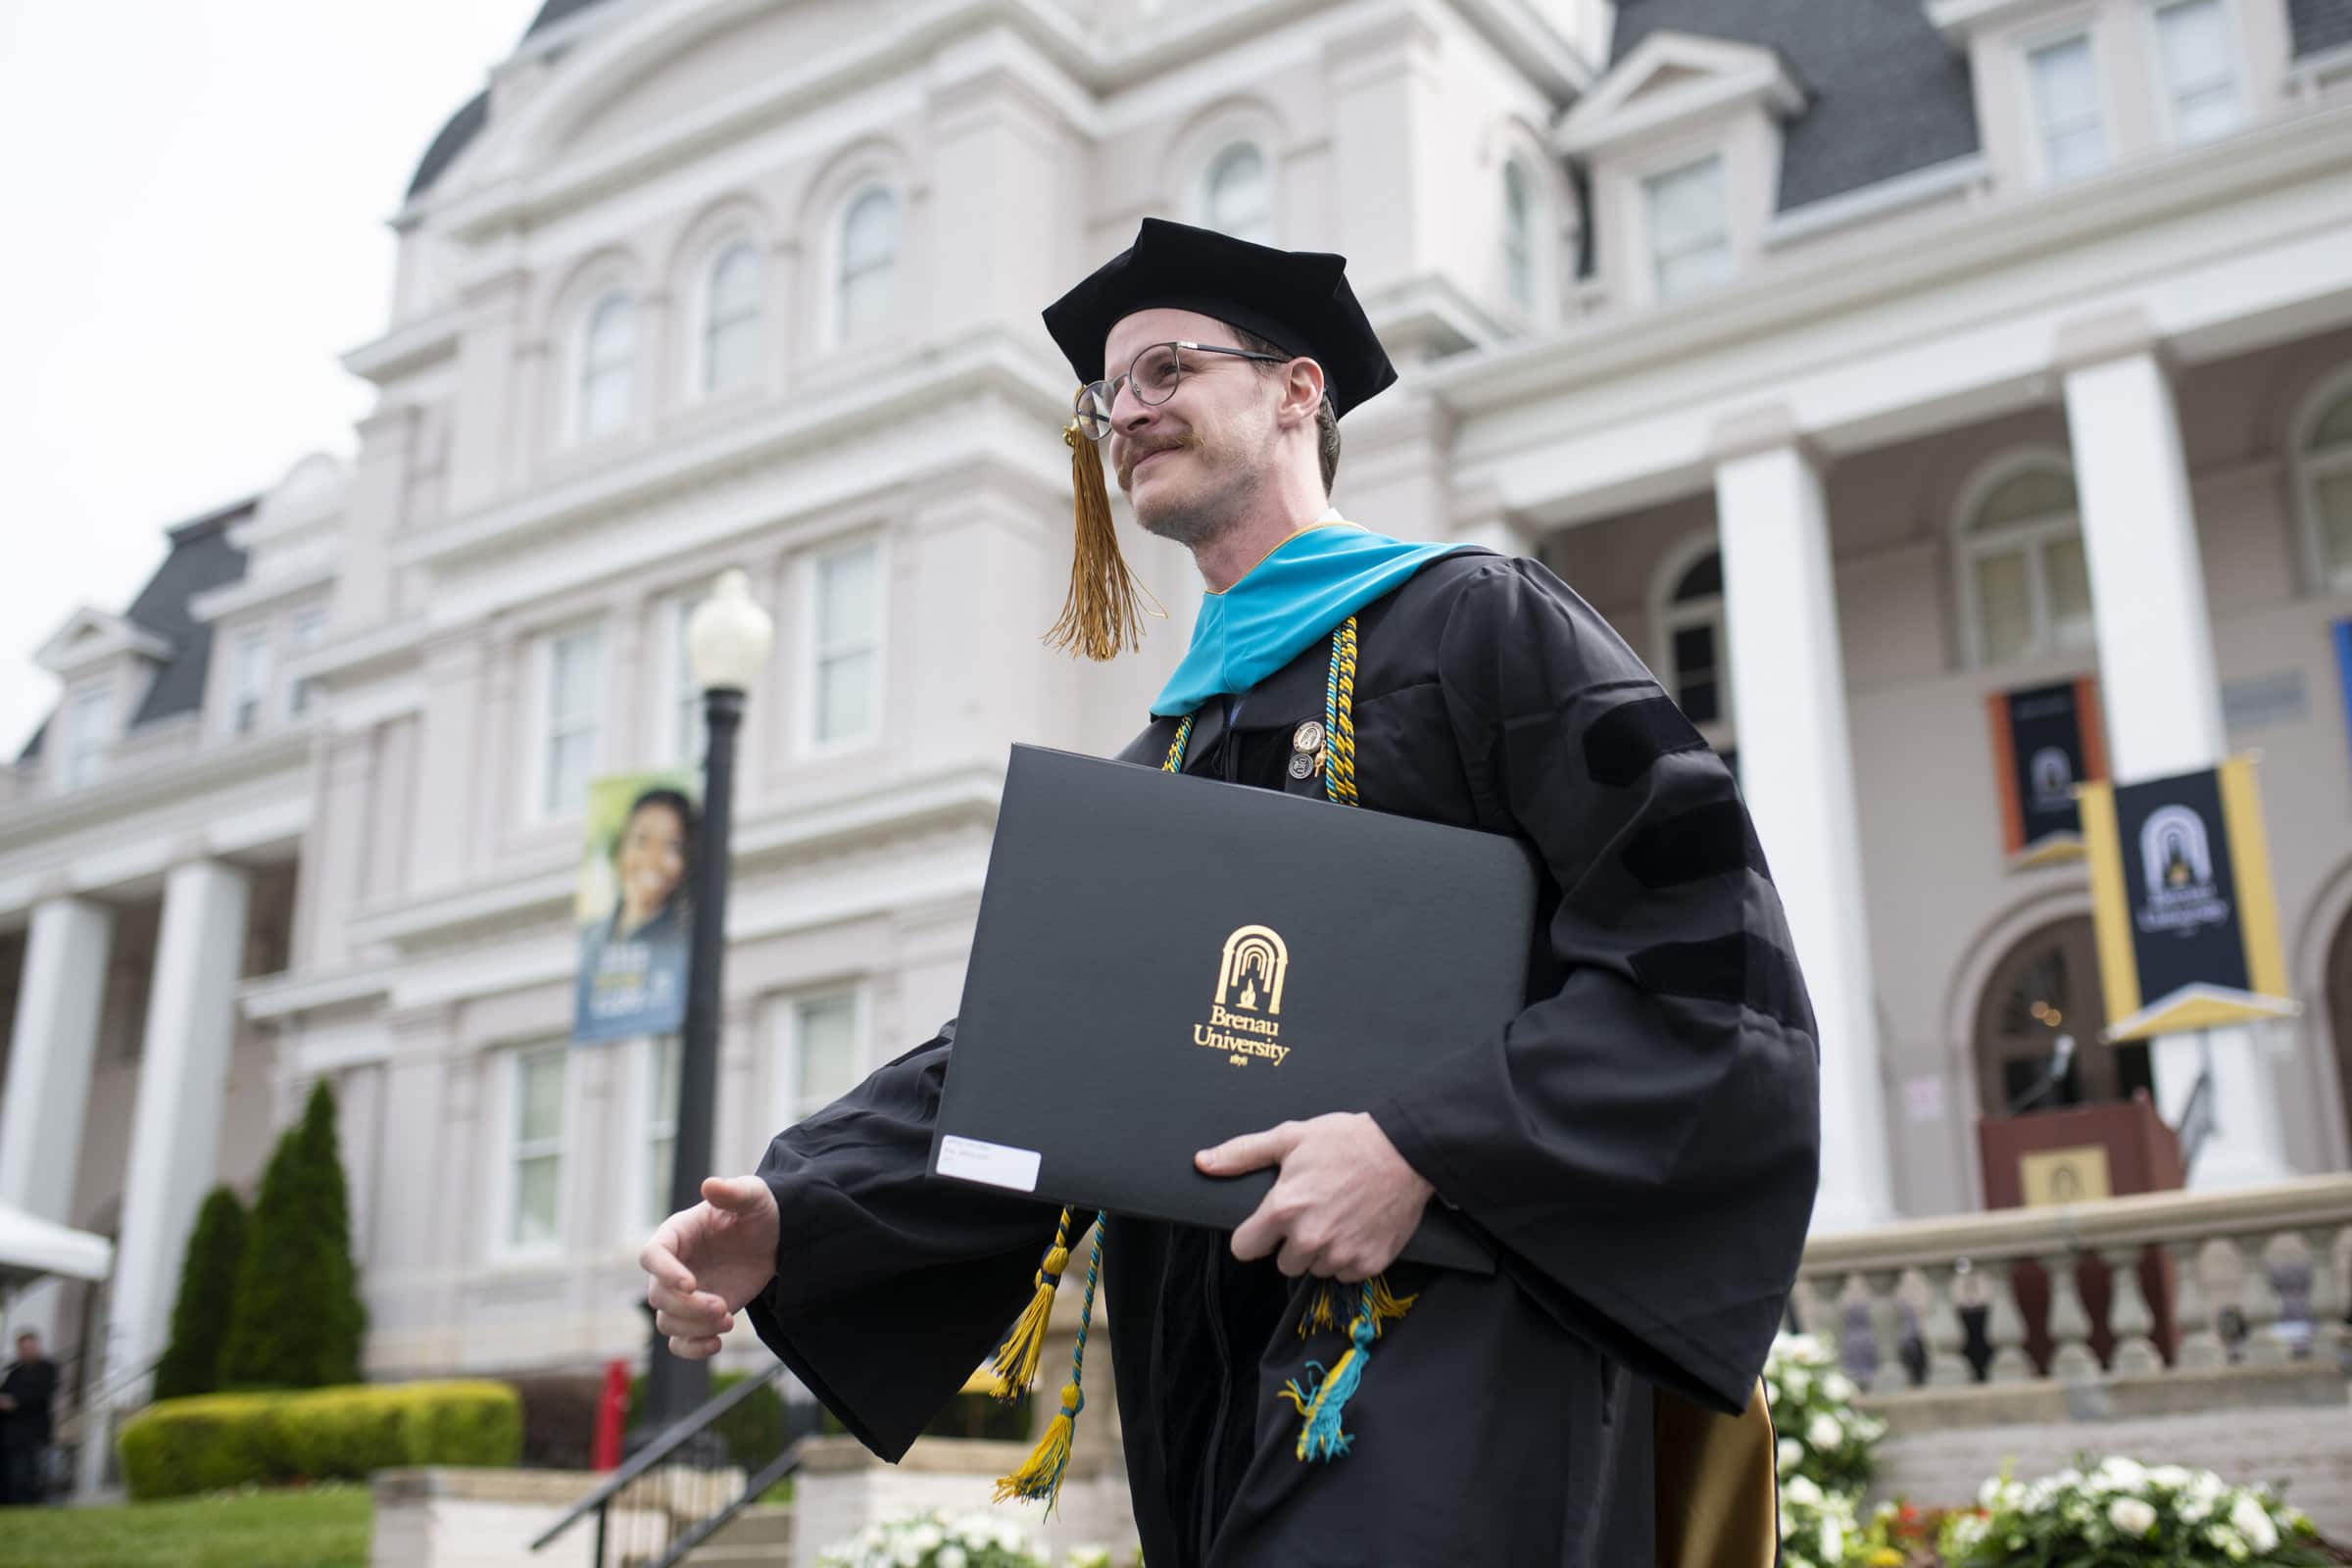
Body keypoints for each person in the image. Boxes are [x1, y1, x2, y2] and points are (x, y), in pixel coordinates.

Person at [641, 220, 1821, 1566]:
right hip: (1205, 1356)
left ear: (1297, 390)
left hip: (1460, 1334)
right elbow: (1044, 1054)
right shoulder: (1170, 751)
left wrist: (1422, 1147)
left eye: (1165, 370)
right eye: (1108, 394)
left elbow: (1704, 956)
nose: (1126, 412)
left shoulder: (1480, 628)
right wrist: (802, 1211)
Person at [576, 786, 696, 1041]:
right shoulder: (592, 937)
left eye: (672, 847)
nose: (652, 859)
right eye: (641, 841)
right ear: (621, 848)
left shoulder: (679, 940)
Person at [0, 1331, 58, 1506]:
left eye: (30, 1347)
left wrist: (16, 1403)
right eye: (23, 1348)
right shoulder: (14, 1371)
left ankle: (25, 1503)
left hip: (33, 1431)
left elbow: (42, 1396)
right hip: (9, 1432)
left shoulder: (47, 1369)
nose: (26, 1351)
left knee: (26, 1473)